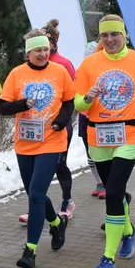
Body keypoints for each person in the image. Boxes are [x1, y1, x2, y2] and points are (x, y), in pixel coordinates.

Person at [74, 14, 135, 268]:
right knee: (115, 191)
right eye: (104, 35)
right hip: (98, 137)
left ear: (124, 35)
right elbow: (78, 104)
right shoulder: (89, 63)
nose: (109, 40)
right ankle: (130, 232)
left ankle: (108, 258)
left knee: (113, 192)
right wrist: (87, 98)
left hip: (131, 133)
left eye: (114, 34)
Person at [0, 29, 74, 268]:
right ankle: (55, 222)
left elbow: (69, 102)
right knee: (34, 192)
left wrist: (61, 121)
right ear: (28, 52)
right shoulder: (17, 74)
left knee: (36, 194)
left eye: (46, 50)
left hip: (52, 140)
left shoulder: (60, 72)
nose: (43, 54)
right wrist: (21, 104)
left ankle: (30, 251)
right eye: (38, 50)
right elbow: (2, 107)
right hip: (25, 141)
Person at [44, 18, 77, 219]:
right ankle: (39, 204)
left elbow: (71, 97)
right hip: (38, 125)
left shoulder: (64, 64)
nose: (42, 48)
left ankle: (67, 201)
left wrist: (62, 120)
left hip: (60, 124)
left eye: (46, 43)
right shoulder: (32, 62)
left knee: (58, 163)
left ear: (54, 43)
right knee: (38, 166)